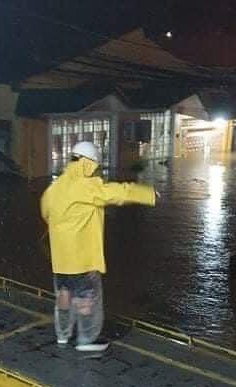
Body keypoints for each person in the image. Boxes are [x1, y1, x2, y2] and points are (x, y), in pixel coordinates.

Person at [40, 141, 156, 353]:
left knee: (64, 295)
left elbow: (46, 212)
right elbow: (118, 192)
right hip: (82, 259)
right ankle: (86, 340)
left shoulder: (54, 187)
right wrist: (148, 194)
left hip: (60, 259)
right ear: (88, 163)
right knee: (87, 299)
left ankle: (63, 336)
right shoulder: (85, 186)